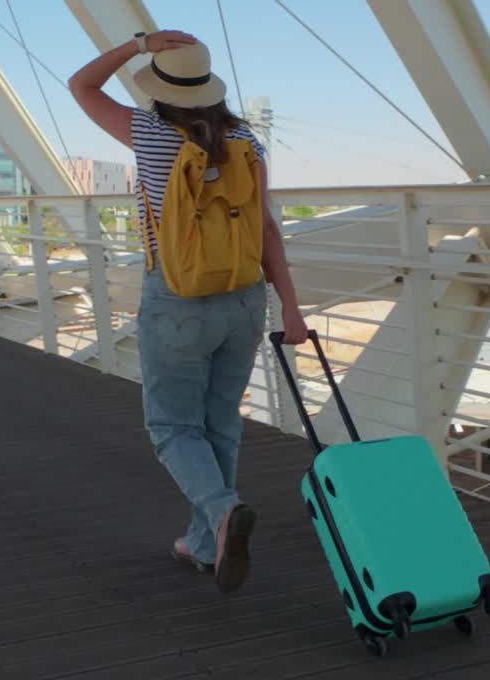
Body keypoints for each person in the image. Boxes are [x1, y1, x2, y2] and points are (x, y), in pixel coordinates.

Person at [69, 30, 308, 592]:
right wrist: (291, 309)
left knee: (173, 427)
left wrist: (137, 44)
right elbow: (267, 228)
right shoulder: (247, 138)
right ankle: (205, 545)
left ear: (162, 88)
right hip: (245, 300)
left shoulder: (150, 133)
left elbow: (81, 84)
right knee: (219, 424)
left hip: (178, 300)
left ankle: (223, 511)